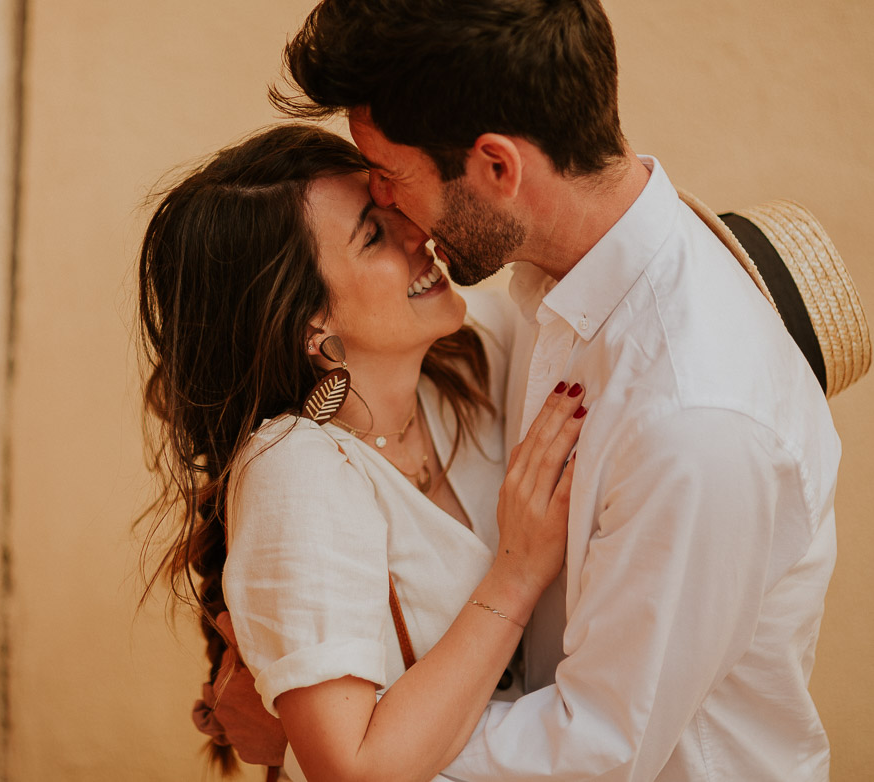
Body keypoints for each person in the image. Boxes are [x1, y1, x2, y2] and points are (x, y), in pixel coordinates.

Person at [259, 0, 842, 779]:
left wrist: (347, 743)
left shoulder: (693, 421)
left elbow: (593, 749)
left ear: (497, 167)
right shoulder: (552, 293)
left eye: (393, 177)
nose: (389, 203)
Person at [138, 123, 587, 781]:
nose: (416, 234)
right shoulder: (295, 470)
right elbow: (354, 772)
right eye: (373, 235)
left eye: (391, 207)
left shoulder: (476, 357)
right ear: (307, 322)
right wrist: (516, 575)